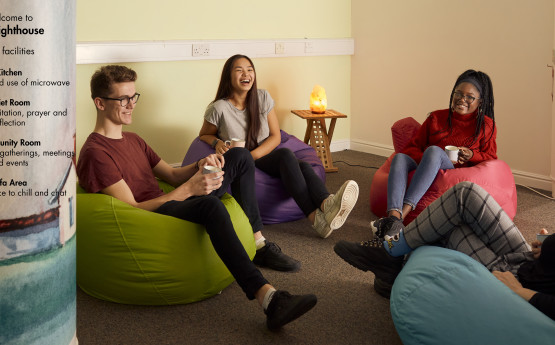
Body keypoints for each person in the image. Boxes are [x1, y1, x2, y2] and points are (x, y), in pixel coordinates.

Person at [77, 65, 317, 330]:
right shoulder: (96, 153)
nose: (131, 104)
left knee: (240, 156)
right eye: (123, 99)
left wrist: (200, 165)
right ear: (100, 103)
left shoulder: (134, 140)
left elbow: (170, 174)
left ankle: (257, 240)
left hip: (175, 199)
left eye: (134, 97)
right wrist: (189, 191)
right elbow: (133, 210)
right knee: (211, 206)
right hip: (156, 213)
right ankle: (268, 298)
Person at [198, 54, 359, 247]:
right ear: (228, 76)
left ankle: (326, 206)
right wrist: (217, 142)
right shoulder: (219, 108)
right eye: (239, 70)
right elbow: (203, 135)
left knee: (302, 166)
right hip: (241, 161)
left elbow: (275, 136)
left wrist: (252, 155)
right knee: (288, 158)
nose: (246, 74)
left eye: (250, 69)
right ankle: (320, 213)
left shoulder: (262, 97)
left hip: (263, 153)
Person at [334, 182, 555, 320]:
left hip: (521, 282)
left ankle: (391, 254)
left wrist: (519, 291)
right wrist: (548, 249)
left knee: (447, 227)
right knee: (464, 194)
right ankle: (393, 257)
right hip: (530, 259)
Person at [372, 69, 497, 238]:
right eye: (458, 94)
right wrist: (428, 160)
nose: (462, 99)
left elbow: (491, 157)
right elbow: (412, 147)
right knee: (400, 157)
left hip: (453, 170)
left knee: (434, 151)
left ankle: (403, 214)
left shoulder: (486, 125)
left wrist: (471, 155)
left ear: (480, 102)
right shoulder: (436, 117)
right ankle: (394, 218)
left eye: (470, 97)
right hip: (428, 163)